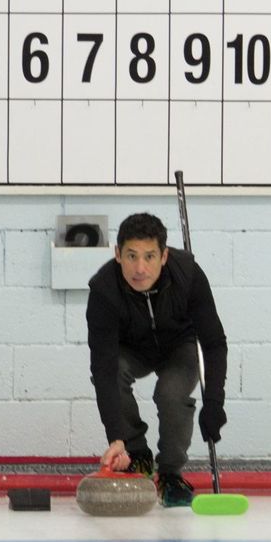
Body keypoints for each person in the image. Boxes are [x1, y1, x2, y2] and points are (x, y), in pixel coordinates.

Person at [85, 213, 228, 507]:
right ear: (117, 254)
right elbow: (102, 367)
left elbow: (214, 343)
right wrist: (116, 438)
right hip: (131, 349)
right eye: (131, 256)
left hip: (180, 346)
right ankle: (137, 454)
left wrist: (214, 403)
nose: (140, 268)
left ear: (164, 256)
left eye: (149, 256)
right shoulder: (104, 289)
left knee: (171, 393)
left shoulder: (188, 274)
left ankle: (170, 475)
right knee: (114, 371)